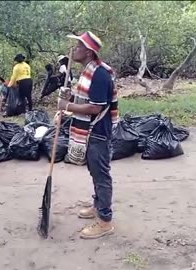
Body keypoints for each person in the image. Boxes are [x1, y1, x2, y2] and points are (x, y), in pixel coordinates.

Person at [57, 31, 119, 239]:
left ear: (89, 52)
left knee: (101, 175)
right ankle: (97, 205)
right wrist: (71, 96)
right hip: (91, 131)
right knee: (94, 171)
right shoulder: (88, 72)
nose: (74, 50)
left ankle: (105, 221)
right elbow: (86, 99)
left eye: (78, 46)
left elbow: (95, 107)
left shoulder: (99, 74)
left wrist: (68, 106)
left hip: (98, 131)